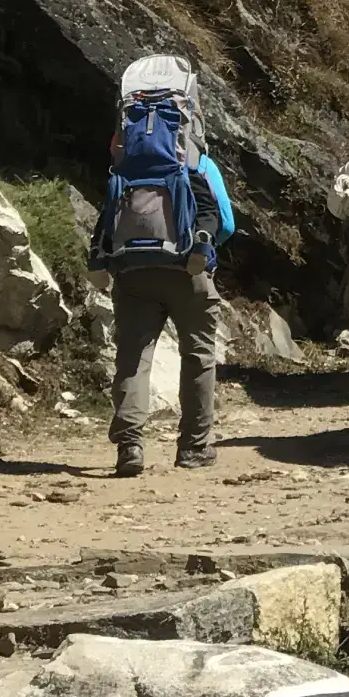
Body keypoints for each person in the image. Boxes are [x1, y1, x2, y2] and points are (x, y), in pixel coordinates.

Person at [93, 56, 235, 478]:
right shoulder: (197, 164)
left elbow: (107, 218)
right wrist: (204, 250)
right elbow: (224, 222)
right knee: (199, 357)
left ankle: (130, 447)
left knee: (134, 357)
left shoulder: (124, 164)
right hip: (187, 270)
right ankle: (194, 447)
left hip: (131, 270)